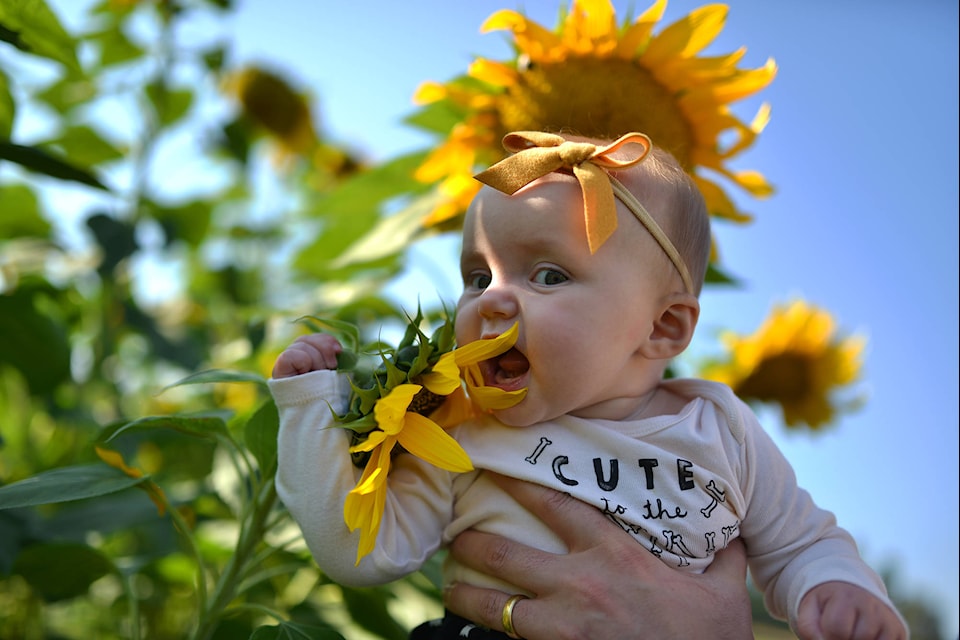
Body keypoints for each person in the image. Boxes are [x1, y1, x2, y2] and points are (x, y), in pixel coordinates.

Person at [270, 131, 908, 639]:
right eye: (475, 275)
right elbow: (359, 553)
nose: (490, 301)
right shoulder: (464, 428)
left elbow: (801, 541)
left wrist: (839, 591)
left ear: (661, 327)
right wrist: (309, 412)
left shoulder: (721, 428)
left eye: (547, 275)